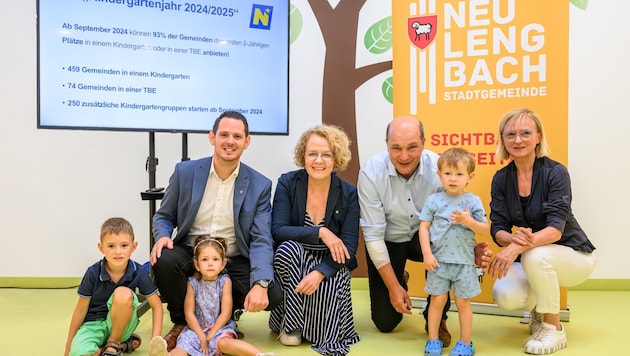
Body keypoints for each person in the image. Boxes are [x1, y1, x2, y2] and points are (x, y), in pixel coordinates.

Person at [151, 111, 282, 350]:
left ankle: (225, 318)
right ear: (212, 137)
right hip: (190, 253)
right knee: (164, 259)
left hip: (232, 259)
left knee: (272, 294)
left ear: (246, 141)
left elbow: (261, 239)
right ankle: (182, 322)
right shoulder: (185, 172)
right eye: (224, 135)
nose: (230, 141)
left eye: (237, 136)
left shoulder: (260, 184)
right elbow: (164, 216)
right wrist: (162, 237)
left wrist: (261, 283)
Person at [357, 116, 492, 347]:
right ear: (386, 144)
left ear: (423, 142)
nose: (404, 156)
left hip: (432, 238)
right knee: (385, 322)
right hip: (389, 240)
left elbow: (452, 224)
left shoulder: (440, 168)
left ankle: (437, 317)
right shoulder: (371, 172)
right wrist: (393, 286)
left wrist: (469, 251)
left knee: (445, 256)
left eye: (412, 147)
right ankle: (400, 278)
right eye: (396, 148)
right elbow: (373, 237)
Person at [487, 108, 596, 355]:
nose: (518, 140)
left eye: (526, 133)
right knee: (506, 296)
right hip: (532, 255)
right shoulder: (501, 179)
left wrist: (515, 247)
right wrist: (510, 238)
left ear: (538, 137)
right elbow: (498, 227)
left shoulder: (555, 172)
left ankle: (553, 327)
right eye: (510, 134)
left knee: (535, 255)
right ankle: (538, 311)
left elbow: (555, 230)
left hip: (572, 256)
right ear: (503, 140)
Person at [268, 125, 361, 355]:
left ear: (336, 158)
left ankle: (311, 328)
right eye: (312, 154)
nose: (318, 161)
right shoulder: (288, 183)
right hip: (295, 255)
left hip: (331, 261)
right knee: (286, 251)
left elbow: (348, 247)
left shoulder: (348, 193)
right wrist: (321, 232)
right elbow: (278, 230)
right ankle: (291, 327)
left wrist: (320, 272)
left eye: (326, 155)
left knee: (322, 323)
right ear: (303, 155)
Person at [148, 236, 276, 356]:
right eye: (205, 259)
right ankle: (165, 354)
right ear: (197, 264)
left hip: (219, 328)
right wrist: (201, 336)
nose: (210, 263)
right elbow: (189, 314)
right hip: (196, 329)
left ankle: (259, 354)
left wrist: (212, 334)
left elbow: (226, 313)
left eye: (215, 259)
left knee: (226, 343)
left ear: (223, 264)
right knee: (183, 347)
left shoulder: (225, 281)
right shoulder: (192, 283)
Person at [419, 147, 490, 356]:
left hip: (464, 263)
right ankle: (433, 340)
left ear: (470, 176)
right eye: (448, 173)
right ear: (439, 175)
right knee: (437, 301)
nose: (453, 179)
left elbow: (486, 230)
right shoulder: (434, 200)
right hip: (439, 261)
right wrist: (426, 254)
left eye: (459, 174)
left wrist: (468, 221)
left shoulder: (472, 201)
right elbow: (424, 227)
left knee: (463, 302)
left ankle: (465, 342)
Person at [64, 217, 163, 356]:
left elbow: (157, 305)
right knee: (78, 352)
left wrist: (155, 340)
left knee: (123, 293)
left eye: (124, 245)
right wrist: (68, 347)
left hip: (123, 325)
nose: (118, 251)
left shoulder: (138, 271)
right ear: (101, 248)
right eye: (111, 246)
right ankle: (115, 346)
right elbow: (80, 310)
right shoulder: (93, 273)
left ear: (133, 246)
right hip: (93, 325)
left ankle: (114, 344)